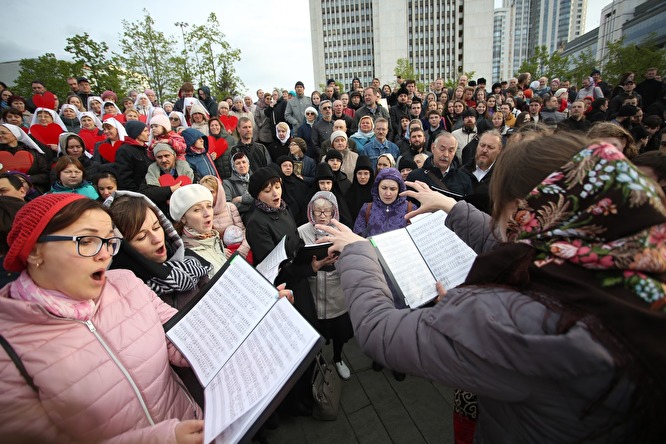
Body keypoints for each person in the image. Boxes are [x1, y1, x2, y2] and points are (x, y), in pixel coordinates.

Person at [316, 132, 666, 443]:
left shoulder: (510, 319)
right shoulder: (626, 260)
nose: (498, 215)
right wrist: (451, 207)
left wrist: (358, 252)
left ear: (523, 208)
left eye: (501, 203)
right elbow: (518, 250)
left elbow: (380, 332)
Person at [0, 194, 203, 442]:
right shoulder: (8, 349)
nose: (105, 254)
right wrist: (163, 439)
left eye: (109, 241)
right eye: (87, 241)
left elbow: (181, 337)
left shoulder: (126, 283)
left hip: (196, 424)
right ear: (34, 252)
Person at [297, 191, 354, 380]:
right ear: (310, 211)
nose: (322, 215)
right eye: (318, 211)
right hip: (313, 292)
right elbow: (297, 260)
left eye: (327, 211)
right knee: (316, 333)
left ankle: (338, 358)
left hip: (337, 293)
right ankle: (318, 362)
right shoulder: (302, 231)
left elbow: (353, 260)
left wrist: (337, 261)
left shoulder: (343, 232)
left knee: (339, 332)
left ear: (334, 212)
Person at [169, 184, 226, 277]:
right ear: (183, 218)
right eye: (197, 209)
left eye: (209, 206)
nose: (207, 214)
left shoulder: (213, 237)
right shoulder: (187, 257)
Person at [198, 175, 250, 260]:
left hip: (239, 252)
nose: (208, 195)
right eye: (205, 192)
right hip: (220, 258)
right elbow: (205, 242)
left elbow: (243, 231)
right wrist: (221, 251)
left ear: (219, 192)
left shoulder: (230, 207)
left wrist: (242, 250)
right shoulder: (201, 214)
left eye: (212, 192)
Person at [0, 123, 50, 193]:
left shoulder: (34, 153)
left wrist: (26, 178)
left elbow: (45, 175)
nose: (0, 135)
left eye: (3, 133)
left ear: (15, 135)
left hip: (34, 190)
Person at [223, 152, 254, 225]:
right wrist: (252, 204)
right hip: (240, 220)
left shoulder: (256, 178)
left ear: (248, 164)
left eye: (244, 162)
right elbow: (229, 206)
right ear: (233, 167)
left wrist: (241, 199)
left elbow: (261, 198)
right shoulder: (227, 183)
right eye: (238, 163)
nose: (242, 165)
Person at [345, 155, 374, 221]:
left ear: (370, 175)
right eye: (359, 173)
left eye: (366, 173)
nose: (362, 177)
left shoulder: (376, 193)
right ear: (355, 175)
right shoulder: (350, 194)